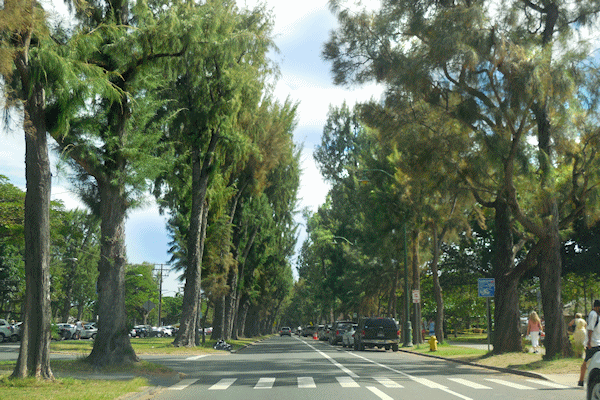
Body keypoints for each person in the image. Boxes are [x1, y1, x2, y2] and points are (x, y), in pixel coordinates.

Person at [579, 300, 600, 387]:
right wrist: (589, 342)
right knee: (586, 361)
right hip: (594, 343)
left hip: (596, 342)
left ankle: (581, 380)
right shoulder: (593, 314)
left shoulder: (596, 315)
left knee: (587, 361)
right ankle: (581, 380)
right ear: (596, 307)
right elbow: (590, 328)